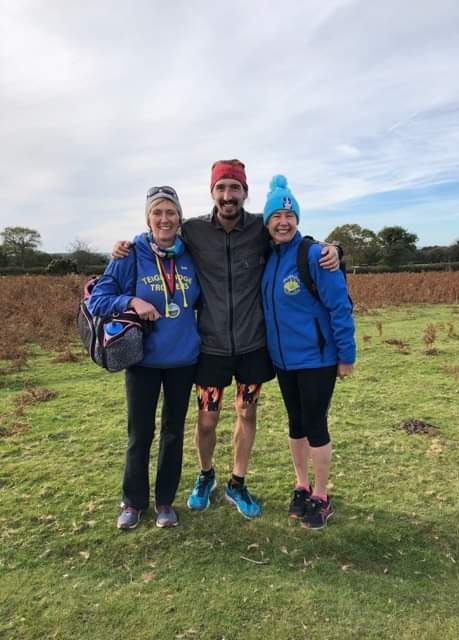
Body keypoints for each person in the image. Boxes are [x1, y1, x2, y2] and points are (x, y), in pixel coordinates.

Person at [112, 160, 340, 520]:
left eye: (235, 188)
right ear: (212, 192)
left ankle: (238, 481)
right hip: (211, 347)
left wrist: (335, 249)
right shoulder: (194, 231)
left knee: (246, 413)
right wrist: (127, 245)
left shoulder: (260, 229)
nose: (228, 195)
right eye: (221, 188)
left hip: (252, 346)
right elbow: (158, 236)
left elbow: (293, 239)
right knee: (206, 420)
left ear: (245, 192)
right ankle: (206, 476)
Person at [88, 186, 201, 529]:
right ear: (148, 218)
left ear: (180, 218)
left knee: (173, 432)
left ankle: (165, 501)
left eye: (171, 212)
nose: (164, 219)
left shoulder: (192, 253)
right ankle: (133, 502)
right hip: (142, 361)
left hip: (183, 359)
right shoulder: (129, 254)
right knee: (140, 434)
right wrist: (131, 302)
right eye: (158, 212)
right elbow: (98, 299)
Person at [261, 175, 355, 529]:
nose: (283, 222)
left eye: (289, 216)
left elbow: (340, 307)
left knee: (316, 425)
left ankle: (321, 495)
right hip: (284, 361)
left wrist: (346, 356)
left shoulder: (316, 255)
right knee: (295, 424)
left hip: (317, 359)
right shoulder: (268, 259)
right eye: (275, 217)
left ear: (297, 219)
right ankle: (301, 485)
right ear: (267, 223)